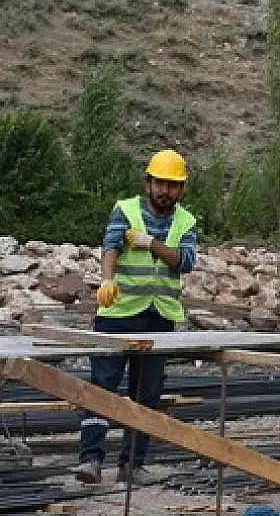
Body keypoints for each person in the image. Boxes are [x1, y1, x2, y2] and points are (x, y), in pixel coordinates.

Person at [71, 149, 198, 486]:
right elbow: (111, 245)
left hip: (159, 318)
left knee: (148, 393)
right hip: (118, 314)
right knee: (103, 388)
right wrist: (107, 278)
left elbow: (184, 261)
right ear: (148, 182)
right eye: (161, 184)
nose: (165, 191)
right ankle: (91, 460)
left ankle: (132, 463)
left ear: (181, 189)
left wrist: (150, 243)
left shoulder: (185, 221)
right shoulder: (125, 210)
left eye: (173, 186)